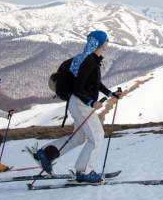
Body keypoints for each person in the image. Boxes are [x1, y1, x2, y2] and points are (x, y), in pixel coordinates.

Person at [33, 30, 123, 183]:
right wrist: (91, 102)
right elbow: (79, 87)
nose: (108, 42)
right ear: (100, 43)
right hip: (81, 104)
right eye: (107, 40)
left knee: (79, 137)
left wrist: (110, 93)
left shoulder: (91, 59)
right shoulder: (89, 61)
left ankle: (46, 154)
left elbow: (94, 83)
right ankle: (84, 172)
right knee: (97, 136)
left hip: (78, 103)